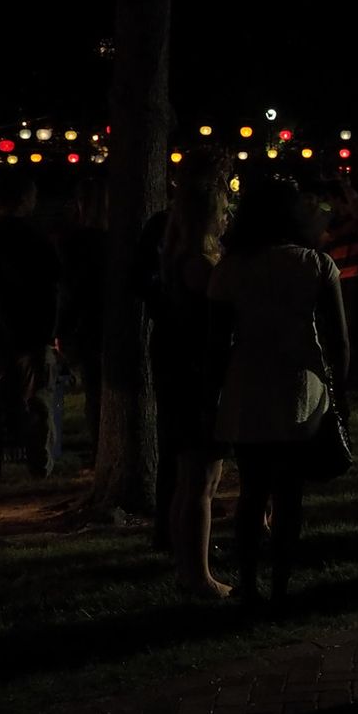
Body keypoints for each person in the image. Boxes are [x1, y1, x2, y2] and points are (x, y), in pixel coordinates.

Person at [211, 177, 348, 608]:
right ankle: (282, 584)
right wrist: (340, 389)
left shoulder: (231, 267)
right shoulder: (315, 264)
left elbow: (215, 340)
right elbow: (339, 338)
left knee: (252, 491)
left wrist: (210, 393)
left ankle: (248, 583)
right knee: (290, 493)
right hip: (299, 389)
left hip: (247, 386)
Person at [150, 153, 233, 597]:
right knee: (201, 478)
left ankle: (189, 567)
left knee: (193, 478)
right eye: (223, 210)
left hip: (183, 375)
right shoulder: (201, 265)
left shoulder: (180, 257)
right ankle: (196, 574)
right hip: (197, 379)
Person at [0, 172, 59, 483]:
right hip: (32, 333)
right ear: (25, 200)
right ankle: (39, 466)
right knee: (37, 403)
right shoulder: (39, 238)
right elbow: (52, 288)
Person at [55, 175, 110, 464]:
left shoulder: (76, 242)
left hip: (90, 323)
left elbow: (70, 290)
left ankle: (101, 447)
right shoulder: (119, 239)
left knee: (96, 389)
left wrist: (62, 327)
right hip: (110, 321)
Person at [318, 176, 358, 424]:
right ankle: (355, 381)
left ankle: (357, 381)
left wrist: (347, 188)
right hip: (343, 277)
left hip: (354, 277)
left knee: (350, 330)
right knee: (347, 330)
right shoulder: (337, 223)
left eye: (333, 201)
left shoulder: (357, 221)